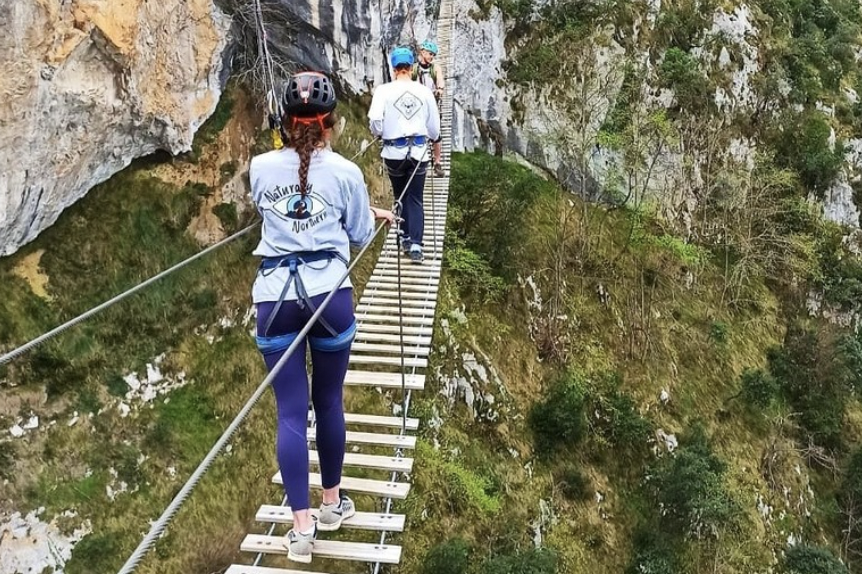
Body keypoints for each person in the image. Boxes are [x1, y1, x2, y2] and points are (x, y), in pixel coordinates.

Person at [249, 71, 395, 564]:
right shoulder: (347, 173)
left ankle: (301, 529)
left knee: (291, 412)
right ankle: (332, 503)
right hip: (329, 296)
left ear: (285, 124)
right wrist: (365, 213)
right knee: (328, 400)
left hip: (274, 299)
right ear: (330, 123)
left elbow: (272, 210)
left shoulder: (260, 167)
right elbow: (357, 233)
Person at [369, 46, 441, 264]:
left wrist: (380, 133)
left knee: (400, 196)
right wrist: (431, 137)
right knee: (415, 198)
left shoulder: (383, 91)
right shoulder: (424, 92)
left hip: (393, 152)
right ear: (411, 67)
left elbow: (375, 121)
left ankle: (405, 237)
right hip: (418, 152)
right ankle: (416, 244)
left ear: (394, 69)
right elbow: (434, 128)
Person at [412, 39, 446, 178]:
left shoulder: (435, 68)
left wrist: (439, 89)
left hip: (431, 103)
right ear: (423, 52)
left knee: (436, 134)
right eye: (430, 53)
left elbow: (440, 80)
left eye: (433, 54)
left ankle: (437, 162)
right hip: (417, 104)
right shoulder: (414, 68)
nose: (432, 56)